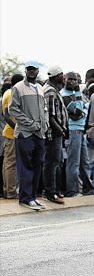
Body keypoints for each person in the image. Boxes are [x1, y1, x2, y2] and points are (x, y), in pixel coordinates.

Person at [8, 61, 48, 210]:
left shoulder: (40, 88)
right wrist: (30, 123)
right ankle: (25, 198)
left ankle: (33, 197)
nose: (31, 71)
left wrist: (45, 124)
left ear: (38, 71)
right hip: (25, 133)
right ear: (26, 71)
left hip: (39, 133)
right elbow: (13, 110)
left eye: (34, 69)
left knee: (38, 165)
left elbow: (44, 109)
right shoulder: (18, 87)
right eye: (29, 69)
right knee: (25, 166)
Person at [61, 72, 94, 197]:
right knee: (73, 163)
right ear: (65, 80)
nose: (73, 82)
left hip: (80, 130)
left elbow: (84, 110)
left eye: (75, 80)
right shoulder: (64, 95)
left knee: (84, 162)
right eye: (70, 79)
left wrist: (80, 112)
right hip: (72, 130)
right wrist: (79, 98)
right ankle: (72, 191)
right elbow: (78, 110)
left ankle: (88, 189)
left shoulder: (74, 94)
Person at [42, 66, 67, 204]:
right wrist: (61, 130)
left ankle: (54, 190)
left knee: (56, 163)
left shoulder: (53, 90)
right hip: (53, 134)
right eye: (61, 75)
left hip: (56, 133)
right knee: (51, 164)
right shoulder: (50, 92)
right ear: (56, 76)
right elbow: (50, 117)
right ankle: (50, 193)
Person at [2, 74, 23, 200]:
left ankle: (8, 190)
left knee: (8, 163)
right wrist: (17, 129)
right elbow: (6, 116)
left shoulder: (9, 92)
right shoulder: (11, 94)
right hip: (11, 134)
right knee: (10, 163)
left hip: (9, 133)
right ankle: (11, 192)